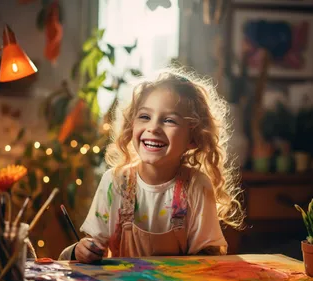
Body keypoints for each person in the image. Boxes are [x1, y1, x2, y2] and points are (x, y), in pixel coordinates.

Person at [59, 67, 244, 263]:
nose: (153, 127)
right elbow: (92, 246)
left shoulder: (197, 185)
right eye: (145, 117)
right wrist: (82, 250)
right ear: (132, 126)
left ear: (193, 138)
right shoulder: (116, 182)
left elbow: (208, 256)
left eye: (169, 120)